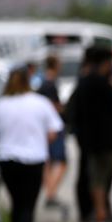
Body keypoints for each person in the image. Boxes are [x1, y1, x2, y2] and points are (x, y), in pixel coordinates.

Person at [0, 66, 63, 222]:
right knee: (28, 202)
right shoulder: (40, 103)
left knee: (16, 201)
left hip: (8, 158)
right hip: (33, 158)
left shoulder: (1, 105)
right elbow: (53, 132)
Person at [68, 46, 112, 222]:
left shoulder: (83, 82)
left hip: (92, 141)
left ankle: (99, 212)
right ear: (105, 62)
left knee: (96, 178)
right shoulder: (102, 82)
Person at [36, 55, 68, 212]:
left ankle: (50, 193)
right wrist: (62, 108)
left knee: (48, 162)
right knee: (61, 162)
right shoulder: (49, 83)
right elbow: (51, 107)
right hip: (52, 128)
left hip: (45, 127)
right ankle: (51, 193)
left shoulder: (44, 81)